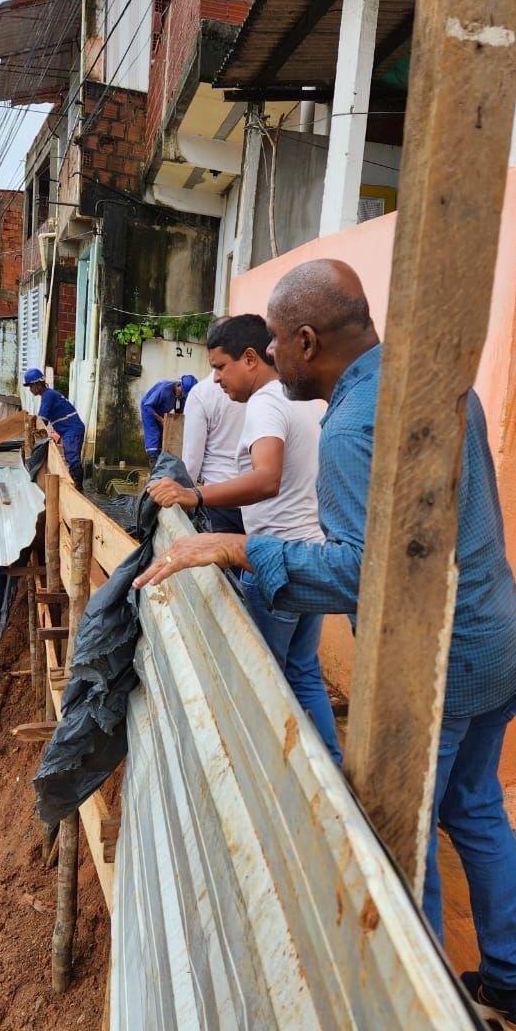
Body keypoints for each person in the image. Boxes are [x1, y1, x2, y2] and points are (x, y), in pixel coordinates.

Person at [133, 260, 516, 1031]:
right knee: (476, 806)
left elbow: (371, 575)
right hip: (507, 645)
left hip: (444, 669)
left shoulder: (356, 428)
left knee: (407, 832)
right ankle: (514, 992)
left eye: (275, 348)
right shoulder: (438, 381)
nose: (269, 361)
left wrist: (239, 551)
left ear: (303, 340)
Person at [146, 314, 343, 766]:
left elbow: (267, 478)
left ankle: (273, 777)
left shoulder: (265, 404)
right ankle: (331, 769)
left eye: (220, 367)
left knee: (261, 681)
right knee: (303, 671)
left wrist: (193, 495)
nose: (215, 380)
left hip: (274, 564)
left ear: (250, 359)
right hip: (310, 554)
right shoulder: (304, 399)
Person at [180, 339, 247, 534]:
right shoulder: (263, 392)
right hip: (256, 500)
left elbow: (191, 462)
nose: (218, 379)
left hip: (218, 499)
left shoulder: (201, 393)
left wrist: (188, 498)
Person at [22, 368, 86, 491]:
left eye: (30, 386)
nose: (30, 390)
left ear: (37, 384)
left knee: (72, 458)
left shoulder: (48, 395)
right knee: (71, 457)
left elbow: (42, 419)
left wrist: (33, 430)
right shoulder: (48, 395)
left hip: (72, 430)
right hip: (69, 430)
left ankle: (78, 488)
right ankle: (76, 486)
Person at [140, 374, 197, 466]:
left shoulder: (182, 394)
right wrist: (161, 420)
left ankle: (161, 464)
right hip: (149, 410)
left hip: (162, 412)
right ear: (178, 385)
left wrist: (179, 424)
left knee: (164, 436)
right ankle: (154, 463)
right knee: (155, 434)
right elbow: (148, 406)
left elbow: (180, 410)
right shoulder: (163, 388)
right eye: (182, 393)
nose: (182, 396)